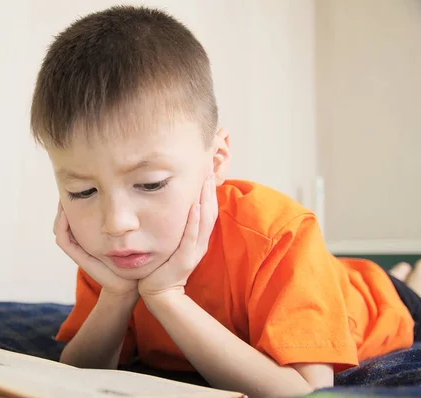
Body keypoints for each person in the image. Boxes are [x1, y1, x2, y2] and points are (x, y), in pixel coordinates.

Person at [29, 5, 417, 397]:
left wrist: (166, 297)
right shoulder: (116, 248)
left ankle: (401, 279)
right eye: (83, 192)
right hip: (323, 283)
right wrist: (116, 295)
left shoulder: (279, 235)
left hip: (368, 304)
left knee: (401, 290)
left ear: (215, 162)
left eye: (150, 184)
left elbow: (304, 391)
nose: (116, 222)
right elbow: (77, 373)